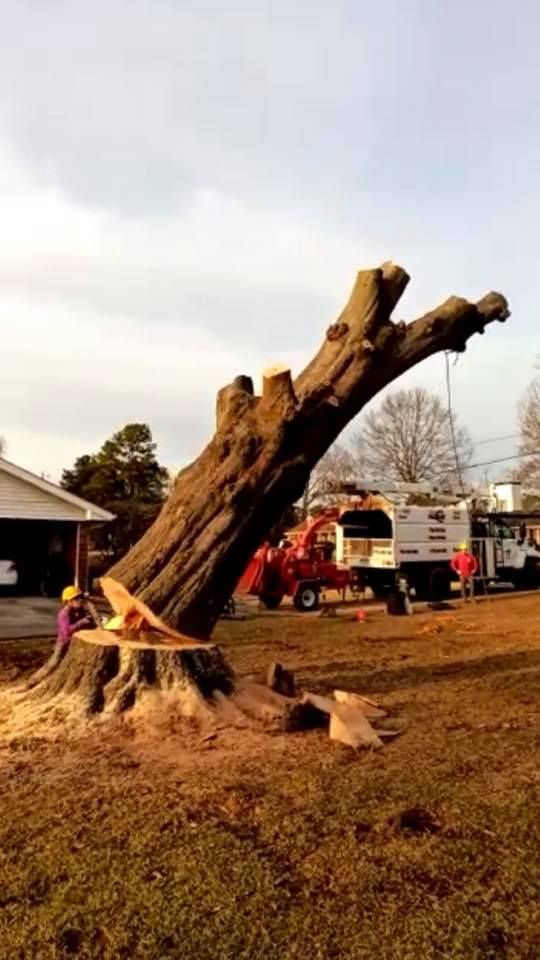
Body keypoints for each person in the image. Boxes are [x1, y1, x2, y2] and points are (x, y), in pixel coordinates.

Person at [56, 585, 95, 658]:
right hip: (64, 644)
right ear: (69, 601)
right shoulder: (64, 614)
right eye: (76, 598)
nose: (80, 600)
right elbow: (67, 632)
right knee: (56, 661)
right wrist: (83, 621)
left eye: (80, 597)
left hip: (74, 642)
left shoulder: (77, 610)